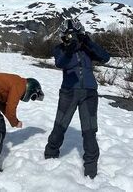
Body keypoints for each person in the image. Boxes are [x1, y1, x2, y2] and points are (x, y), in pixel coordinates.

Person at [44, 18, 110, 179]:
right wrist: (69, 49)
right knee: (60, 125)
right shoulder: (59, 48)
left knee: (89, 131)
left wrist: (88, 41)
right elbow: (60, 63)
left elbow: (105, 57)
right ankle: (49, 158)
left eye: (75, 35)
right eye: (67, 35)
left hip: (89, 93)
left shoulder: (87, 48)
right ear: (62, 36)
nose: (71, 38)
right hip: (68, 92)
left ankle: (91, 171)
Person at [0, 73, 44, 173]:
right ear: (31, 89)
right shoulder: (20, 85)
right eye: (32, 96)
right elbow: (11, 107)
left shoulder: (17, 82)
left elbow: (2, 105)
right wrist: (15, 122)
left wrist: (13, 122)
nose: (30, 98)